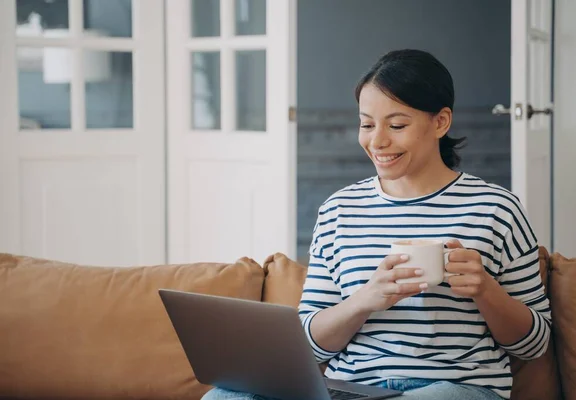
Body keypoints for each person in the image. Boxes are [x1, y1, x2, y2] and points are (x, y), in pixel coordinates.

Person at [202, 49, 551, 400]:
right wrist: (365, 299)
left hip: (454, 388)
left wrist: (485, 290)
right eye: (367, 124)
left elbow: (534, 344)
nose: (378, 141)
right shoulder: (338, 211)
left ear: (441, 122)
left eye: (397, 125)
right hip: (350, 389)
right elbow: (310, 345)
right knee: (223, 397)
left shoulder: (495, 208)